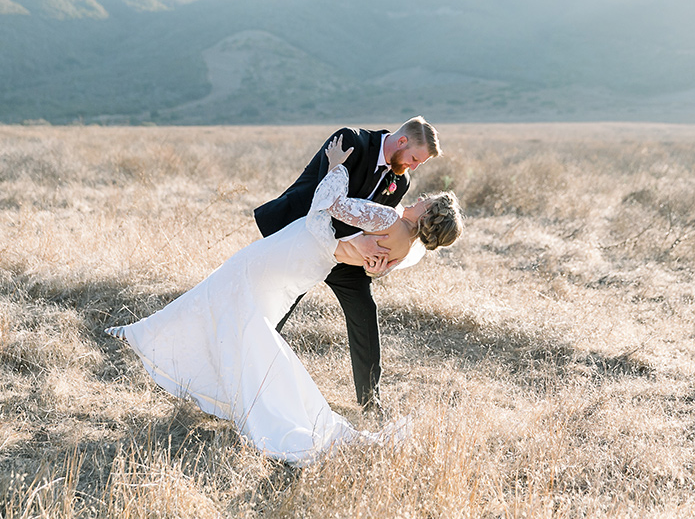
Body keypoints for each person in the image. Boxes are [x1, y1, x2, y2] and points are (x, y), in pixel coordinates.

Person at [106, 136, 462, 466]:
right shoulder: (406, 247)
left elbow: (329, 205)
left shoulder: (390, 216)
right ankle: (193, 358)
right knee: (241, 304)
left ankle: (160, 344)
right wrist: (350, 248)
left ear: (430, 213)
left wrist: (337, 166)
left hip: (299, 247)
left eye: (427, 200)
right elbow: (372, 265)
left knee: (229, 289)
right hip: (312, 259)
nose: (420, 196)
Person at [254, 117, 440, 413]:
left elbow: (377, 222)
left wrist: (374, 261)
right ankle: (250, 375)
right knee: (277, 305)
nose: (414, 167)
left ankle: (370, 402)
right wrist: (357, 241)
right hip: (304, 237)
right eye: (415, 158)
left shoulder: (400, 180)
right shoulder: (350, 141)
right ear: (402, 141)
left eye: (420, 164)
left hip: (346, 257)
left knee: (365, 312)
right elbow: (322, 197)